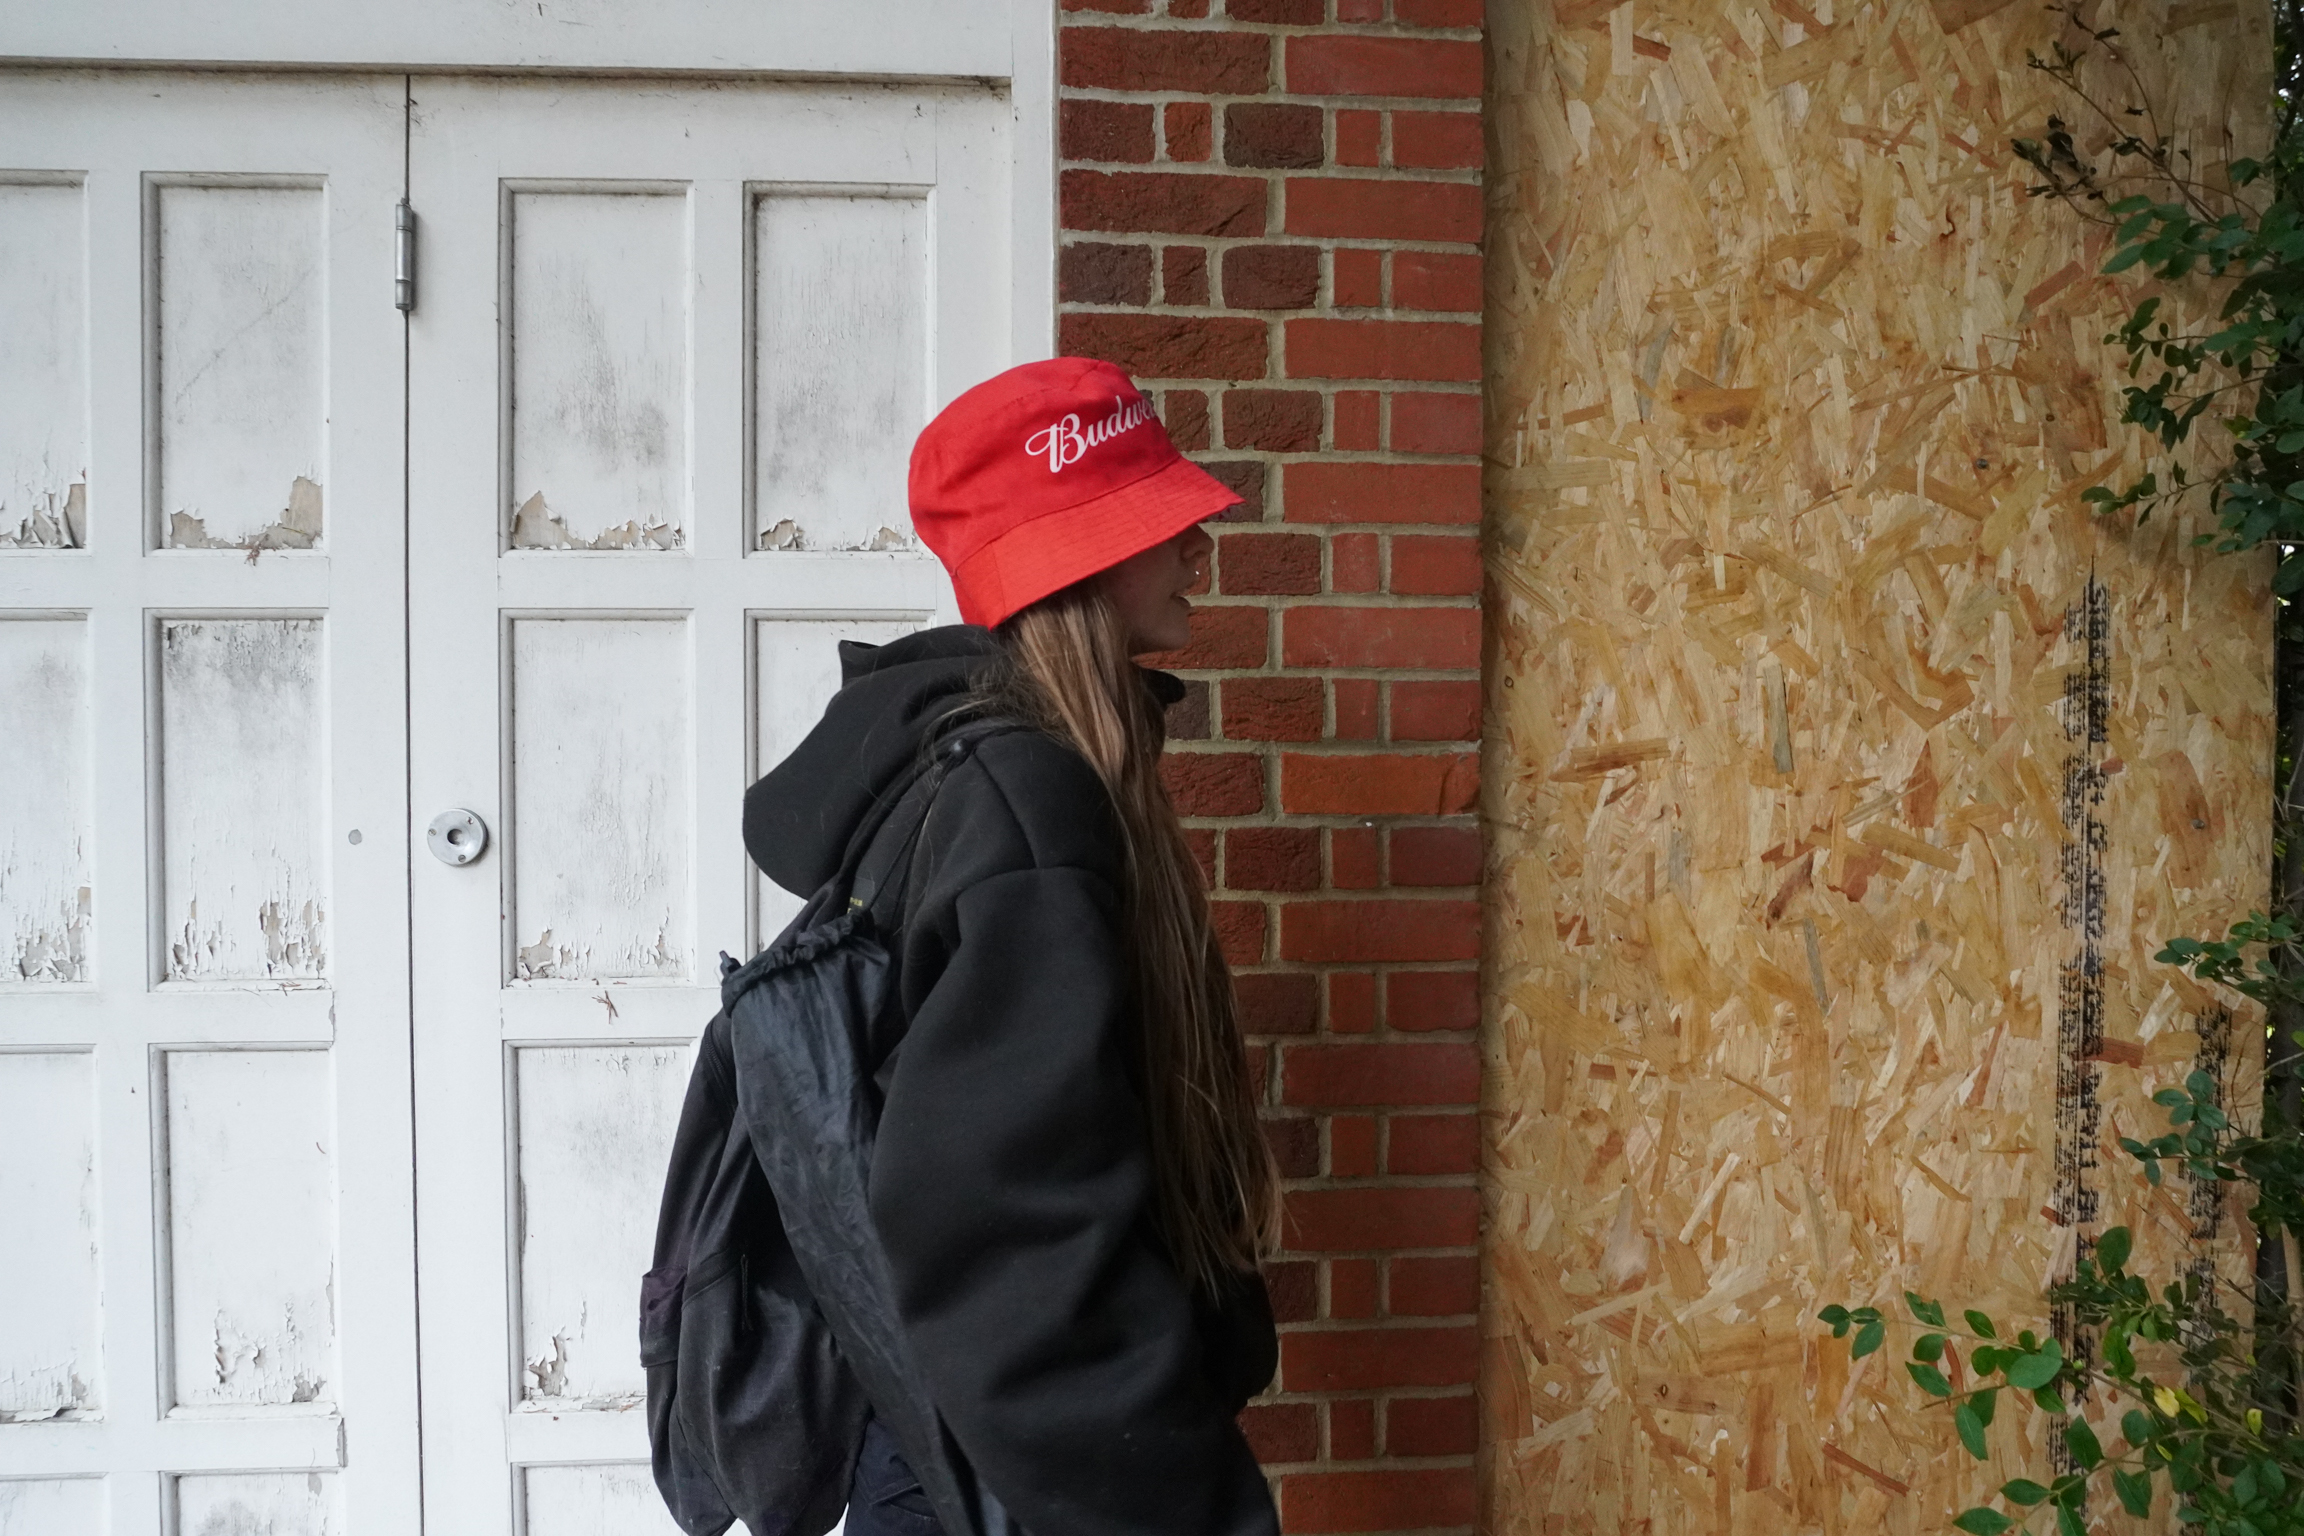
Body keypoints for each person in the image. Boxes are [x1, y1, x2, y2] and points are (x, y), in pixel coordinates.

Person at [739, 357, 1283, 1536]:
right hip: (1021, 1480)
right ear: (1084, 560)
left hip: (967, 1449)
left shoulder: (970, 771)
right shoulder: (1028, 801)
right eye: (1161, 524)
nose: (1198, 548)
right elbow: (1016, 1242)